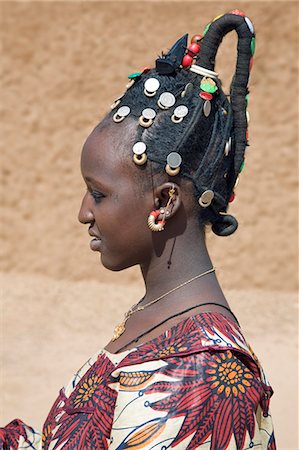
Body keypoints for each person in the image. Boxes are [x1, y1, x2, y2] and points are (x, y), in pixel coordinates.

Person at [1, 10, 276, 450]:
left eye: (99, 193)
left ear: (164, 202)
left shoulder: (204, 378)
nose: (83, 213)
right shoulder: (157, 317)